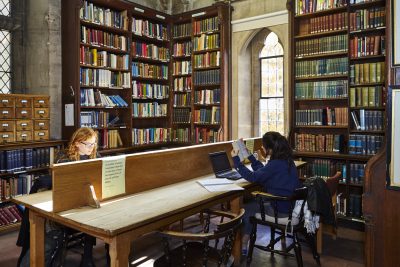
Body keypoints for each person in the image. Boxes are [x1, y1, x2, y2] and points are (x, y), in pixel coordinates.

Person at [17, 127, 101, 267]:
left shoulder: (95, 156)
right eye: (88, 144)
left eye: (93, 144)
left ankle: (87, 256)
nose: (92, 148)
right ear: (77, 143)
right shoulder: (63, 157)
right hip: (64, 202)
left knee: (94, 215)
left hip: (85, 200)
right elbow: (67, 184)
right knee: (54, 233)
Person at [230, 131, 301, 253]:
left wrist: (236, 160)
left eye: (263, 145)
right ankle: (245, 240)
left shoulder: (275, 164)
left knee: (246, 209)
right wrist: (251, 157)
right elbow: (264, 172)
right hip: (289, 205)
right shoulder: (286, 161)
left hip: (280, 209)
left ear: (270, 149)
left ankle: (243, 243)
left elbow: (252, 177)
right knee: (255, 203)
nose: (262, 147)